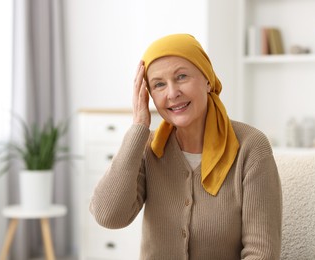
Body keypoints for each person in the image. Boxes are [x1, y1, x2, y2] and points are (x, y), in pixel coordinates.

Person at [89, 33, 282, 259]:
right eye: (159, 84)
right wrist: (138, 127)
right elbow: (108, 216)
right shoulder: (149, 148)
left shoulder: (251, 147)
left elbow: (262, 252)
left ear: (207, 79)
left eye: (181, 77)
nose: (172, 93)